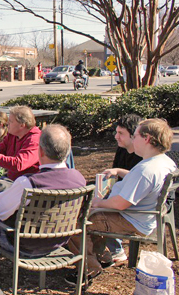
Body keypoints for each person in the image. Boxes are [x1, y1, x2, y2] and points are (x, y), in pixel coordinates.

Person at [66, 118, 177, 286]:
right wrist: (119, 171)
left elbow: (120, 204)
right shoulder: (163, 162)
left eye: (136, 136)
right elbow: (139, 181)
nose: (133, 139)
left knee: (73, 221)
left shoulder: (146, 169)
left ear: (147, 139)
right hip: (141, 216)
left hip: (130, 219)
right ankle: (103, 258)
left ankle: (89, 269)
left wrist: (97, 202)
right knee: (90, 216)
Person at [0, 124, 86, 272]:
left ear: (40, 151)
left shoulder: (28, 183)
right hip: (58, 242)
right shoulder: (79, 180)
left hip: (24, 245)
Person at [104, 114, 143, 265]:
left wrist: (119, 171)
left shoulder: (144, 154)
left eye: (121, 133)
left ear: (134, 136)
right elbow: (115, 175)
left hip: (136, 199)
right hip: (121, 192)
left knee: (98, 211)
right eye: (116, 132)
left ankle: (115, 251)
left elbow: (139, 179)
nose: (116, 137)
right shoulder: (121, 149)